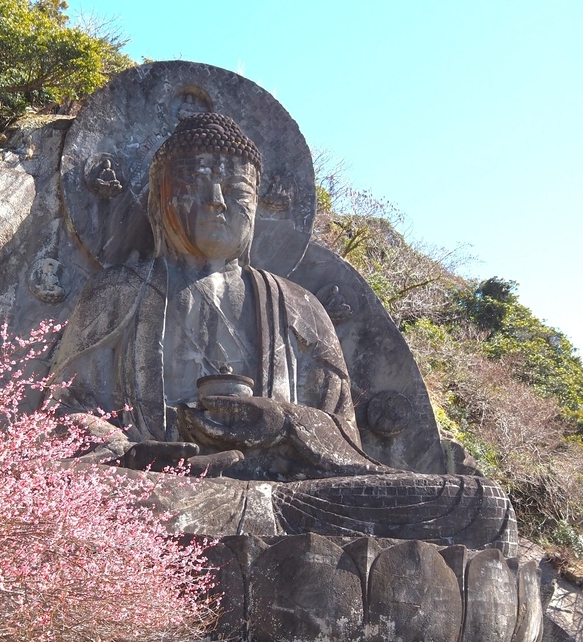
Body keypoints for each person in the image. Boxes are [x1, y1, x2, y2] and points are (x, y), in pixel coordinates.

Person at [49, 114, 516, 554]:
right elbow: (60, 413)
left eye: (236, 190)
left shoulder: (300, 305)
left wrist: (284, 422)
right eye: (194, 184)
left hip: (290, 493)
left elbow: (344, 440)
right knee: (79, 493)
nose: (217, 201)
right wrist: (138, 453)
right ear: (159, 197)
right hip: (167, 488)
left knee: (480, 507)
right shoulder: (116, 293)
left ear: (256, 206)